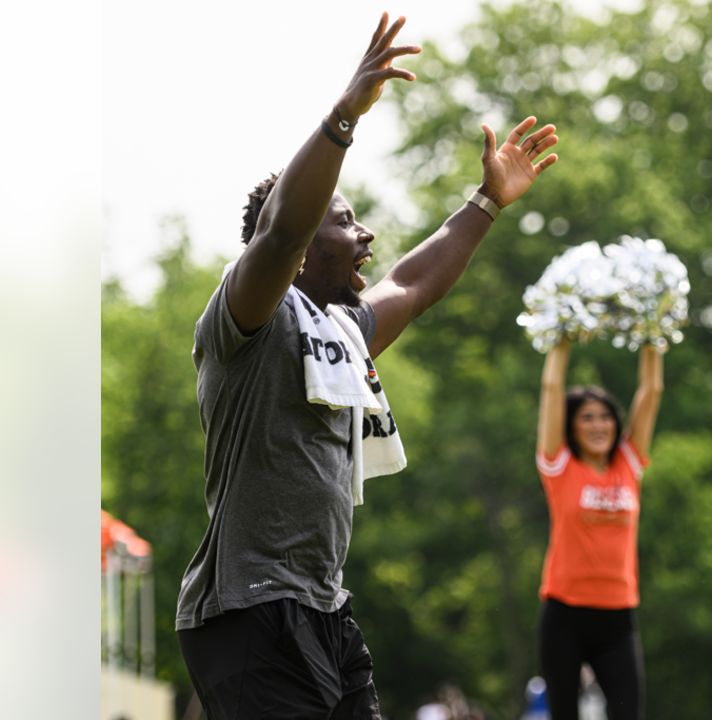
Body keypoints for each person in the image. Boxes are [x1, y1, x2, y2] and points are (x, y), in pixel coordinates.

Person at [174, 13, 559, 719]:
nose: (366, 233)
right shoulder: (249, 316)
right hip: (247, 610)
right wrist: (344, 118)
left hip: (323, 607)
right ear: (297, 245)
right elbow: (286, 226)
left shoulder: (339, 330)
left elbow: (412, 285)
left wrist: (487, 204)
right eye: (345, 222)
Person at [534, 340, 664, 719]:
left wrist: (653, 332)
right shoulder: (559, 465)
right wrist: (561, 339)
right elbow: (551, 390)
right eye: (587, 417)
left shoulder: (628, 461)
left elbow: (652, 390)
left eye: (605, 416)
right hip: (564, 615)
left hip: (617, 616)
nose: (598, 425)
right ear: (571, 425)